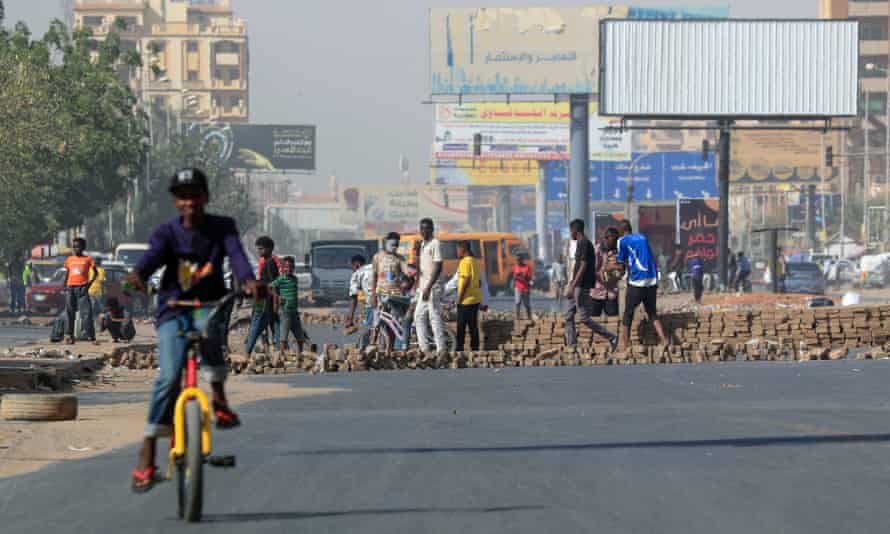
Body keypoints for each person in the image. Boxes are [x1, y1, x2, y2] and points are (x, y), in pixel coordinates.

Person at [126, 167, 259, 493]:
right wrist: (137, 276)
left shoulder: (222, 228)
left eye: (195, 195)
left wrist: (250, 281)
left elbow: (238, 258)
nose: (190, 202)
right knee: (168, 377)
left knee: (213, 336)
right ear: (176, 202)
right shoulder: (166, 233)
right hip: (172, 309)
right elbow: (151, 260)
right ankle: (147, 450)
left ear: (206, 197)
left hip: (210, 304)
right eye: (183, 197)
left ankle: (218, 398)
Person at [563, 220, 618, 350]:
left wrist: (573, 285)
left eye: (571, 231)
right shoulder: (582, 244)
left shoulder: (584, 244)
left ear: (575, 231)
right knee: (568, 315)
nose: (570, 234)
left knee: (584, 318)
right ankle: (572, 345)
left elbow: (583, 266)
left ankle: (611, 337)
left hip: (581, 286)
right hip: (576, 284)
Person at [615, 220, 669, 349]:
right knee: (652, 313)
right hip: (651, 280)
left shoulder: (622, 241)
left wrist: (616, 271)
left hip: (637, 282)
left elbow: (621, 263)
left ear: (621, 232)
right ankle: (664, 339)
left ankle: (625, 344)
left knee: (628, 313)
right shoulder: (642, 237)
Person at [413, 218, 447, 354]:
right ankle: (424, 349)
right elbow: (419, 268)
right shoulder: (422, 245)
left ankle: (441, 349)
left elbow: (438, 266)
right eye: (421, 228)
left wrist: (428, 287)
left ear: (432, 229)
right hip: (423, 287)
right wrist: (416, 253)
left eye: (426, 228)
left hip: (433, 287)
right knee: (418, 316)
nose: (423, 231)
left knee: (434, 316)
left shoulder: (435, 243)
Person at [245, 236, 280, 356]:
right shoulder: (266, 262)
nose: (259, 251)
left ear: (269, 249)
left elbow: (272, 284)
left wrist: (275, 301)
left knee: (256, 325)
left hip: (265, 300)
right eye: (258, 249)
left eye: (261, 249)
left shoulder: (270, 263)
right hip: (263, 298)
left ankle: (247, 352)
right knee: (274, 325)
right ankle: (280, 351)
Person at [271, 256, 306, 356]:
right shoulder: (281, 279)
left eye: (291, 267)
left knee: (299, 334)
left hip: (294, 311)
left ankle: (301, 354)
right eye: (286, 267)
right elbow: (270, 287)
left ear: (294, 268)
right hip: (285, 310)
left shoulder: (295, 279)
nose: (289, 269)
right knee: (284, 334)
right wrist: (277, 297)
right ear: (282, 268)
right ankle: (281, 355)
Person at [63, 238, 96, 344]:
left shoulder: (88, 259)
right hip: (70, 288)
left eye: (78, 246)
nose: (76, 248)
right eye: (74, 246)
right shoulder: (69, 259)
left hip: (82, 288)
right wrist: (64, 285)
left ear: (83, 247)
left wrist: (89, 284)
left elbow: (95, 273)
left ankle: (91, 336)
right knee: (69, 312)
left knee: (86, 312)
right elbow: (67, 273)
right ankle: (69, 335)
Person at [455, 240, 482, 352]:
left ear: (463, 249)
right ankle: (475, 348)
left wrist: (459, 298)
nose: (457, 252)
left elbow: (466, 280)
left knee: (461, 325)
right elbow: (478, 281)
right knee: (473, 325)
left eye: (457, 249)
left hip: (466, 300)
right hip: (475, 298)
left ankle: (459, 348)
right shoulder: (475, 261)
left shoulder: (464, 262)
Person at [591, 227, 620, 317]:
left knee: (613, 321)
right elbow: (592, 270)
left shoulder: (617, 252)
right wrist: (602, 275)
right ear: (605, 239)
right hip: (596, 293)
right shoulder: (597, 251)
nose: (610, 245)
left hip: (611, 294)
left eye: (613, 242)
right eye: (609, 242)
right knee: (593, 321)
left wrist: (616, 274)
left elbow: (620, 270)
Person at [346, 254, 373, 349]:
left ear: (356, 265)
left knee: (368, 328)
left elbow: (354, 298)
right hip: (389, 297)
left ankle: (363, 349)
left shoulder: (357, 274)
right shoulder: (374, 267)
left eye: (352, 267)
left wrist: (350, 319)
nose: (352, 270)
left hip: (373, 304)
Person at [513, 253, 534, 320]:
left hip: (525, 288)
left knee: (527, 304)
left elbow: (529, 278)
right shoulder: (516, 266)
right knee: (517, 302)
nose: (518, 261)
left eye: (519, 260)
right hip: (518, 287)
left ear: (522, 260)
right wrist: (520, 276)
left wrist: (522, 277)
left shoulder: (527, 267)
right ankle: (517, 317)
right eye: (517, 260)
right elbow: (515, 277)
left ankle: (529, 317)